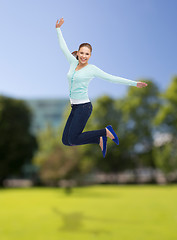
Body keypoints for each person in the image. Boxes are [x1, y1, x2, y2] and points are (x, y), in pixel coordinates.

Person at [55, 17, 147, 158]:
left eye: (87, 54)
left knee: (73, 139)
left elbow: (112, 78)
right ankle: (98, 139)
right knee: (66, 141)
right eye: (82, 53)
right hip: (74, 107)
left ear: (90, 56)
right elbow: (63, 47)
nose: (84, 56)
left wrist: (134, 83)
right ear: (78, 53)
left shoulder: (92, 69)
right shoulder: (72, 63)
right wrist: (58, 29)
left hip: (84, 108)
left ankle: (104, 132)